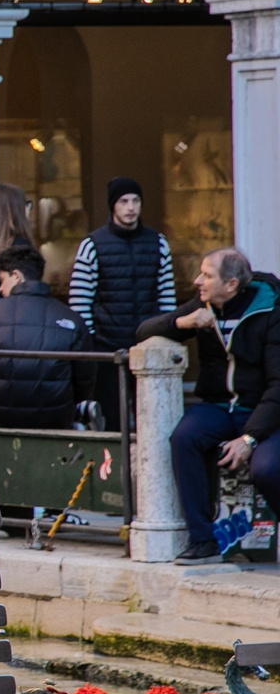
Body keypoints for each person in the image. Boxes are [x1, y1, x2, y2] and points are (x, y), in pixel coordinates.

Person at [137, 247, 280, 562]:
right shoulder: (205, 304)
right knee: (184, 438)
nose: (197, 280)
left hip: (265, 413)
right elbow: (143, 331)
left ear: (230, 284)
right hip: (219, 407)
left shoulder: (270, 310)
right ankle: (203, 541)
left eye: (207, 275)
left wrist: (249, 438)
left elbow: (278, 385)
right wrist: (184, 323)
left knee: (267, 469)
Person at [68, 177, 175, 429]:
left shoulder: (157, 243)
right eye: (124, 201)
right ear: (112, 206)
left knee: (152, 420)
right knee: (113, 420)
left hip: (150, 346)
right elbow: (80, 303)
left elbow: (167, 297)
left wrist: (166, 336)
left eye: (136, 201)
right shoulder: (92, 245)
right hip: (108, 349)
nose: (130, 207)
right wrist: (93, 344)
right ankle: (117, 468)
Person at [0, 247, 88, 428]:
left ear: (16, 276)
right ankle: (81, 417)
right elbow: (84, 379)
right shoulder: (71, 319)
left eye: (1, 280)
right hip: (56, 414)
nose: (0, 288)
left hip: (2, 413)